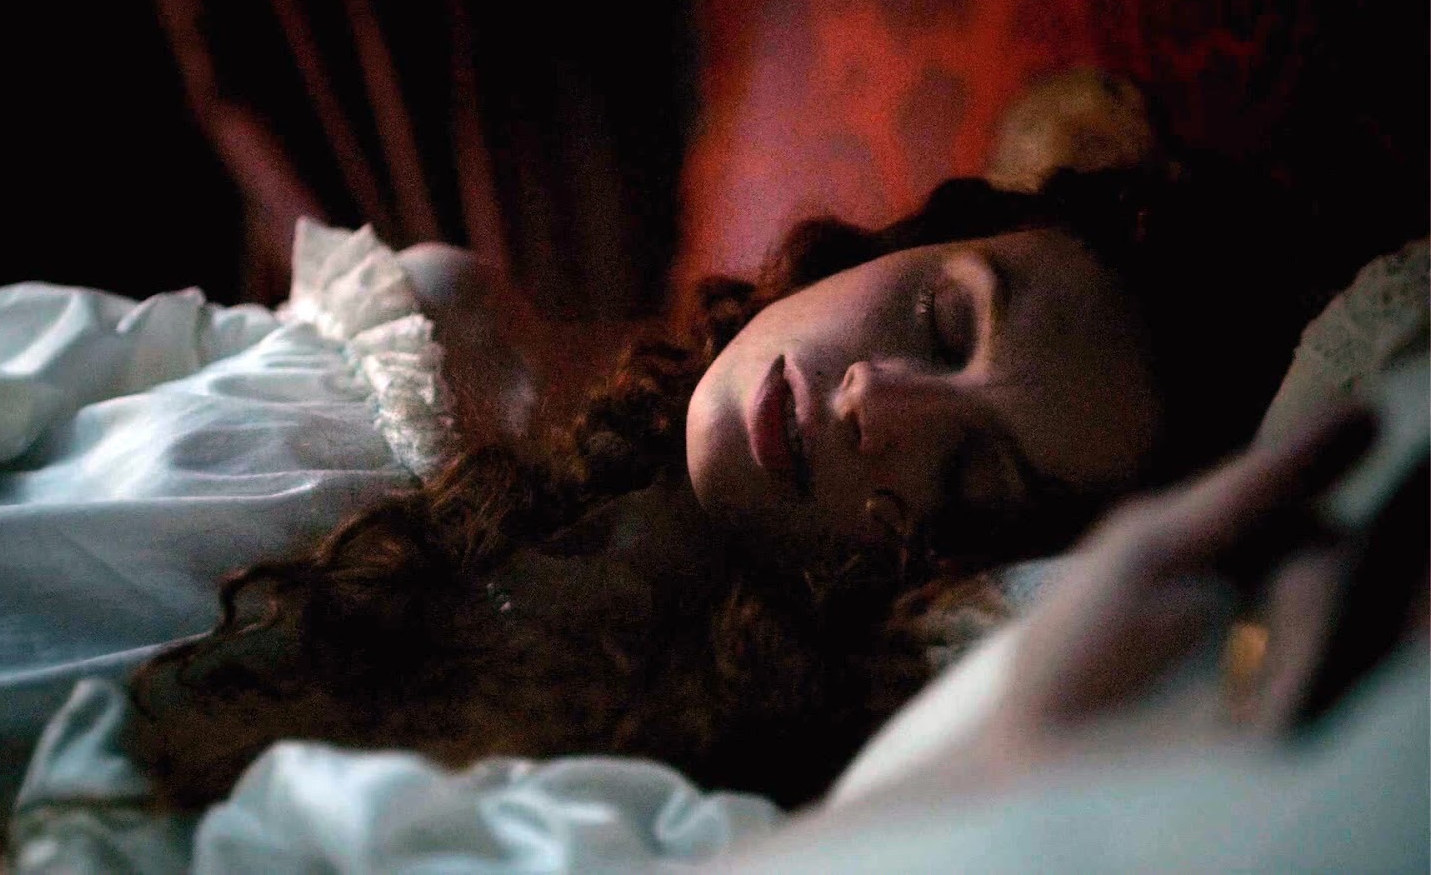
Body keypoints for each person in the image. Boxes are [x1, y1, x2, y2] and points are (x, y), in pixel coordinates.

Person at [125, 160, 1349, 812]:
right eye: (938, 319)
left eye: (973, 476)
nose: (878, 406)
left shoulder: (700, 794)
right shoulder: (417, 335)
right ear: (885, 251)